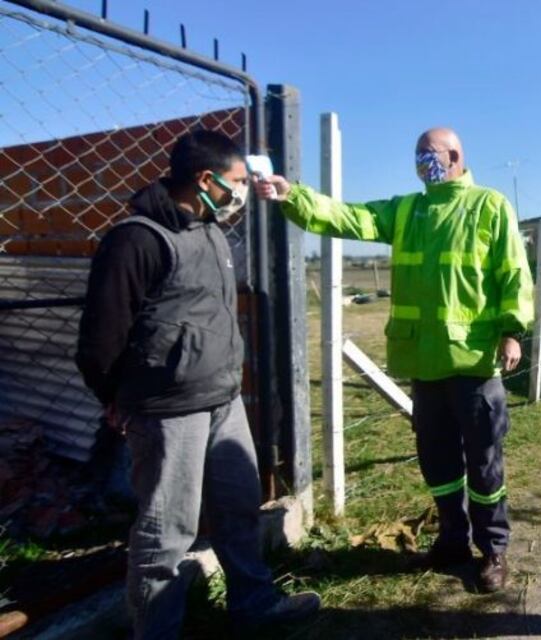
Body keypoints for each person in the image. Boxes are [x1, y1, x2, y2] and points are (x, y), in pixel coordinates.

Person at [255, 127, 534, 593]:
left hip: (474, 363)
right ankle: (452, 541)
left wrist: (512, 331)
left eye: (430, 153)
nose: (422, 161)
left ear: (455, 156)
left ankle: (493, 550)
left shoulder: (489, 205)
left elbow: (514, 272)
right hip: (423, 362)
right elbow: (349, 216)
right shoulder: (406, 210)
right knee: (438, 463)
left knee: (484, 463)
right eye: (418, 154)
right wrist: (293, 196)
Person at [76, 130, 321, 639]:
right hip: (167, 411)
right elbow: (101, 337)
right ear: (206, 180)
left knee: (238, 509)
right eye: (237, 183)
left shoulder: (210, 229)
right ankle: (157, 631)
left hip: (223, 402)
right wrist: (114, 399)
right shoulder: (137, 240)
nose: (241, 194)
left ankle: (254, 605)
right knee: (167, 531)